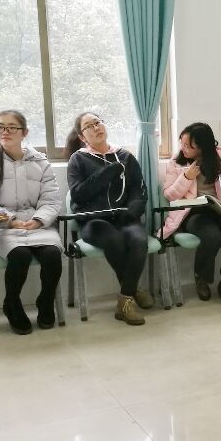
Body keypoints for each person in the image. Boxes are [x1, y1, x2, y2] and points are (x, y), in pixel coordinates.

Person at [0, 110, 63, 335]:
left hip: (37, 224)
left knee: (52, 255)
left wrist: (39, 220)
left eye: (12, 127)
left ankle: (45, 301)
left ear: (24, 132)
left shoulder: (40, 162)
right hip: (0, 226)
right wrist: (9, 221)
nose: (5, 131)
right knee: (20, 255)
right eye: (0, 127)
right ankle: (12, 303)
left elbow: (51, 198)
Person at [65, 112, 154, 325]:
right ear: (82, 136)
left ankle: (124, 299)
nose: (96, 127)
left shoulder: (125, 156)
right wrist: (109, 171)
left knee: (139, 240)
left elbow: (139, 191)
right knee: (114, 240)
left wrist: (132, 211)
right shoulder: (78, 159)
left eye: (98, 122)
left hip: (124, 218)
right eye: (89, 126)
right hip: (94, 222)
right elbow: (78, 194)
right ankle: (132, 290)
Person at [160, 123, 221, 300]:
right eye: (182, 144)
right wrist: (186, 177)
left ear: (202, 147)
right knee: (211, 237)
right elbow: (169, 194)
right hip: (193, 213)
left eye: (189, 146)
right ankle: (201, 278)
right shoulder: (176, 162)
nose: (183, 149)